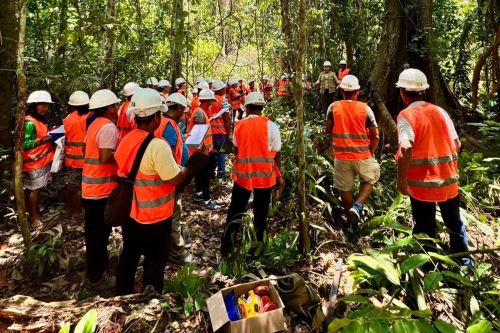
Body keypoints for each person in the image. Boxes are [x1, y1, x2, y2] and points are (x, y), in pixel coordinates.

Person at [115, 88, 193, 295]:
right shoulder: (158, 146)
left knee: (129, 256)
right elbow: (176, 179)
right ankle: (151, 298)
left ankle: (121, 295)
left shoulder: (126, 140)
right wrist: (191, 167)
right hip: (156, 218)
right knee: (155, 260)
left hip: (131, 214)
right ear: (157, 116)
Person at [395, 68, 471, 266]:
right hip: (449, 182)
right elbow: (457, 144)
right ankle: (463, 262)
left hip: (422, 186)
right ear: (425, 91)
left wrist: (401, 180)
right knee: (455, 224)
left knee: (424, 227)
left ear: (402, 93)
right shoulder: (440, 111)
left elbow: (405, 147)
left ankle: (428, 266)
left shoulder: (406, 116)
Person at [220, 92, 282, 256]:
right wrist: (279, 175)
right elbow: (277, 153)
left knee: (235, 211)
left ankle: (227, 246)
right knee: (260, 215)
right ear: (262, 107)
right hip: (264, 178)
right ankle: (257, 250)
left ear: (247, 107)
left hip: (243, 177)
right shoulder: (272, 126)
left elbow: (236, 148)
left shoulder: (239, 125)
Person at [325, 75, 380, 235]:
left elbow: (328, 130)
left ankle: (351, 223)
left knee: (345, 189)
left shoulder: (333, 107)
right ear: (357, 91)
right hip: (362, 155)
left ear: (342, 91)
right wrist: (371, 151)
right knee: (369, 180)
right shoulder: (365, 109)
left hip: (341, 157)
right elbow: (375, 135)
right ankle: (357, 207)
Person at [82, 89, 120, 289]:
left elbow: (85, 150)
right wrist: (123, 153)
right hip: (100, 189)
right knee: (97, 235)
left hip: (90, 187)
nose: (117, 108)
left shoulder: (93, 125)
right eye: (115, 105)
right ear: (109, 108)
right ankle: (97, 277)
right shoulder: (107, 127)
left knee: (94, 234)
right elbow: (106, 156)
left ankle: (97, 270)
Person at [156, 93, 193, 264]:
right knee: (173, 216)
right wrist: (177, 176)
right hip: (171, 177)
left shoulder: (162, 122)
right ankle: (177, 253)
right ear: (177, 108)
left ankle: (165, 248)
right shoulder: (169, 125)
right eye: (183, 110)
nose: (184, 114)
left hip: (163, 177)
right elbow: (169, 152)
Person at [23, 91, 55, 228]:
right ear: (34, 105)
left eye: (47, 105)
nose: (45, 108)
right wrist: (41, 140)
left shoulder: (38, 120)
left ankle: (31, 211)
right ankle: (34, 217)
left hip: (41, 161)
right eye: (42, 105)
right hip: (33, 162)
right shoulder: (29, 122)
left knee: (35, 189)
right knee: (34, 189)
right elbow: (23, 144)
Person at [188, 89, 219, 210]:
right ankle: (207, 200)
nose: (212, 103)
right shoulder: (200, 113)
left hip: (200, 151)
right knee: (205, 176)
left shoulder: (200, 112)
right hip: (201, 152)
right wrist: (205, 151)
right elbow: (198, 135)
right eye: (211, 101)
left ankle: (199, 194)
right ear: (208, 101)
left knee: (200, 174)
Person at [63, 91, 91, 218]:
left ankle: (71, 210)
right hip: (87, 159)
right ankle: (78, 212)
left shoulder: (68, 119)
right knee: (83, 187)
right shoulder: (90, 117)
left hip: (72, 160)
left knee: (72, 186)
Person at [209, 80, 231, 179]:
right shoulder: (223, 100)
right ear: (221, 89)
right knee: (221, 152)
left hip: (210, 131)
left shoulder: (209, 100)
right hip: (220, 132)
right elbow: (227, 118)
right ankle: (221, 174)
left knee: (213, 152)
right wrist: (229, 133)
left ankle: (212, 172)